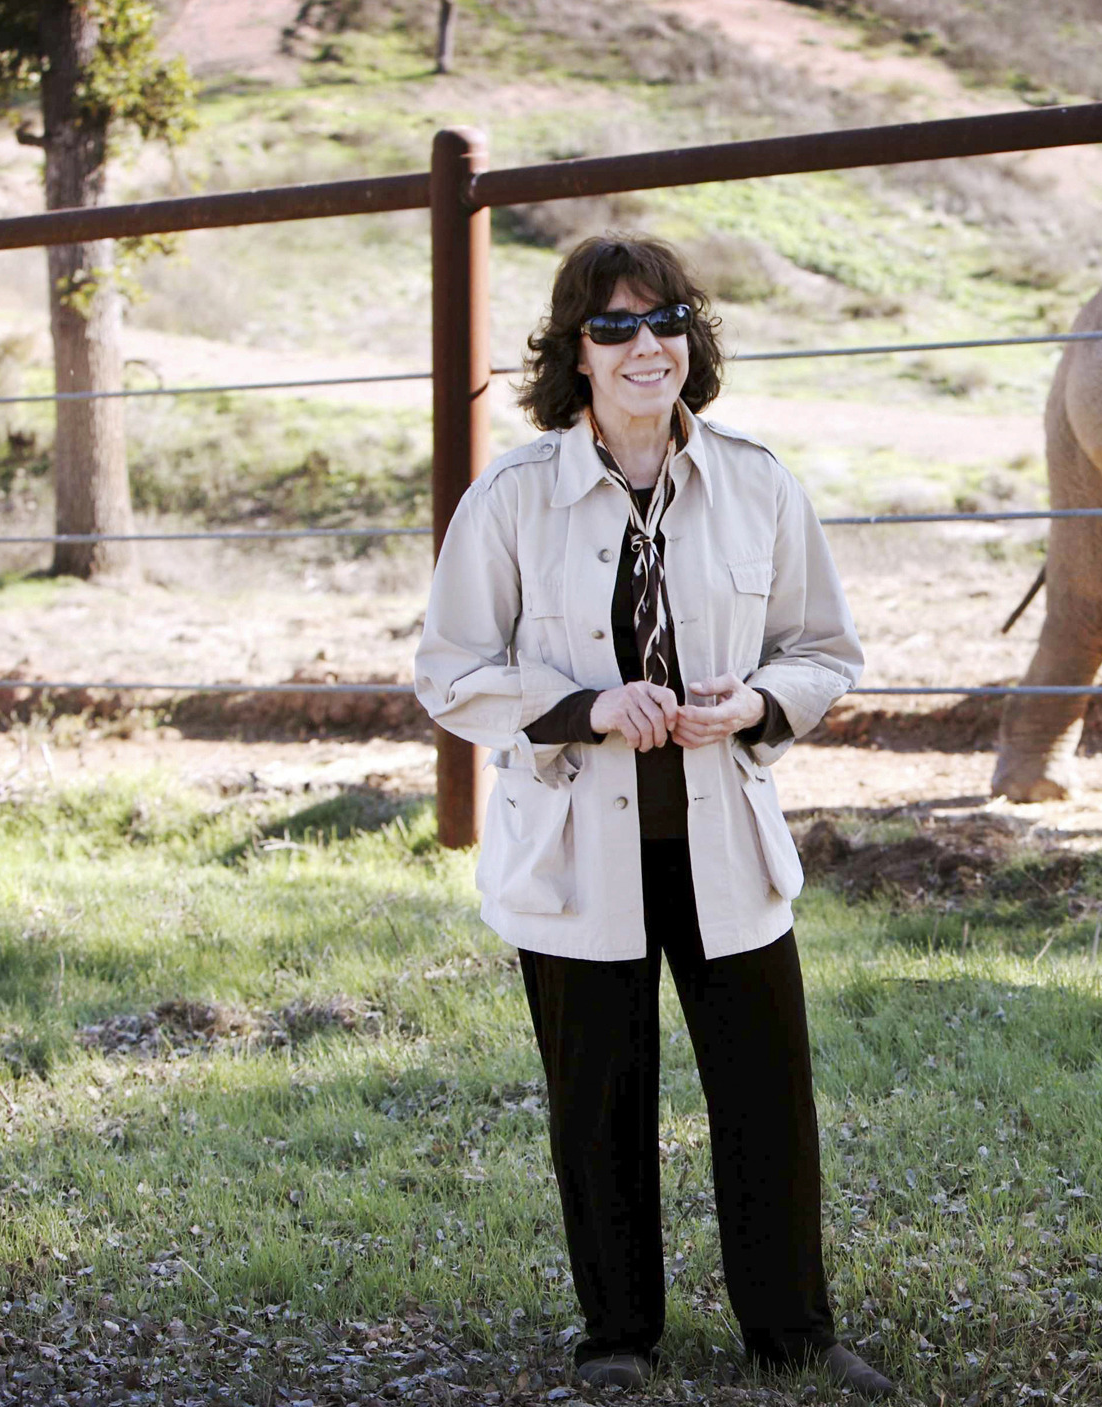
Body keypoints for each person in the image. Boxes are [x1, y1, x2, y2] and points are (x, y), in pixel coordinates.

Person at [413, 236, 893, 1397]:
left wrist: (758, 703)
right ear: (575, 353)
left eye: (666, 321)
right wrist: (585, 707)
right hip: (576, 851)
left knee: (767, 1099)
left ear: (691, 340)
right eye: (615, 326)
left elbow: (824, 648)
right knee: (600, 1104)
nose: (646, 347)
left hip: (726, 842)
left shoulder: (759, 484)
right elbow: (451, 671)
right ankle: (617, 1337)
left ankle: (793, 1334)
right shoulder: (512, 499)